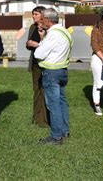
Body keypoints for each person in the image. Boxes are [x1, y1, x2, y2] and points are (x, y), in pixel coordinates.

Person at [34, 8, 72, 145]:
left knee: (53, 104)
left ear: (49, 20)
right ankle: (64, 130)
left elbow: (38, 54)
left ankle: (56, 136)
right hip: (62, 70)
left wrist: (41, 41)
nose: (41, 21)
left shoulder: (53, 34)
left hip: (51, 72)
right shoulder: (65, 31)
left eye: (43, 18)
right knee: (62, 102)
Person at [26, 6, 49, 127]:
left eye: (36, 14)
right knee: (36, 91)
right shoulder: (32, 27)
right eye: (33, 14)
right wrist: (29, 43)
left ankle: (45, 119)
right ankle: (36, 117)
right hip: (35, 63)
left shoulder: (48, 28)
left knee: (45, 90)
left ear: (42, 15)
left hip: (45, 63)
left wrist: (38, 44)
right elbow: (28, 43)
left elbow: (49, 45)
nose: (33, 16)